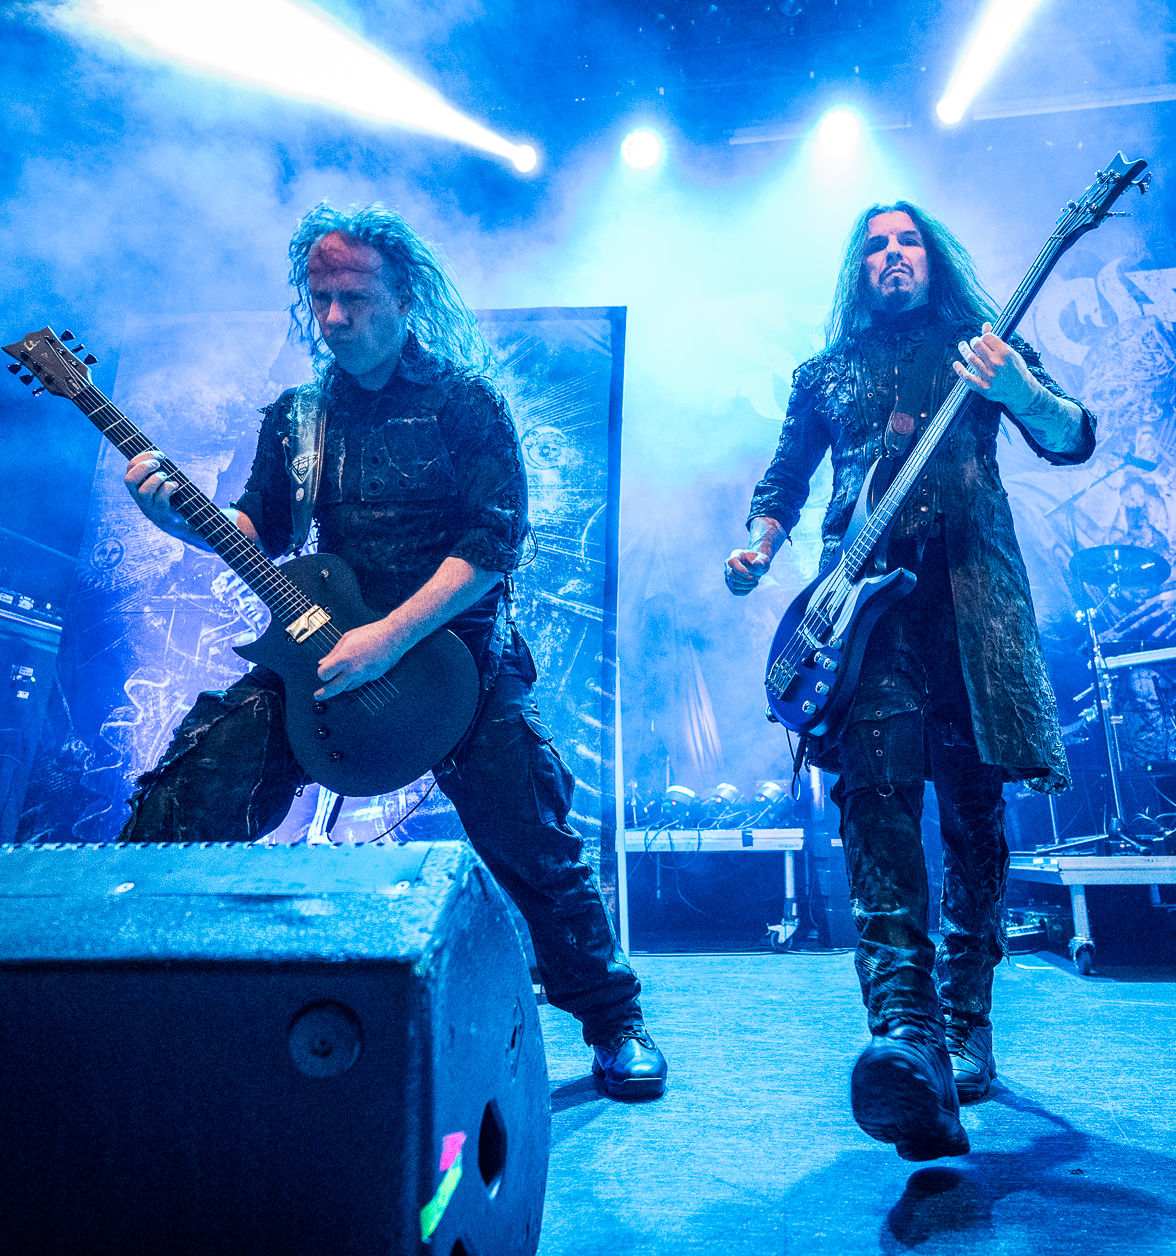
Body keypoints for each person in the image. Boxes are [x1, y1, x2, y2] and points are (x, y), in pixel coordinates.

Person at [117, 203, 665, 1101]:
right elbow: (260, 527)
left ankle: (615, 1021)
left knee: (533, 835)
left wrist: (390, 637)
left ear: (406, 297)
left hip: (459, 662)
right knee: (197, 777)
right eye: (320, 298)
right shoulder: (299, 416)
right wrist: (173, 519)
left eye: (356, 297)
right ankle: (110, 972)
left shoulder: (466, 403)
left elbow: (492, 544)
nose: (335, 318)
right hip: (330, 656)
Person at [727, 202, 1096, 1159]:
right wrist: (760, 546)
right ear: (859, 269)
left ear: (934, 258)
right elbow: (783, 481)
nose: (894, 255)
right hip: (863, 615)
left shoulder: (985, 343)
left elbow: (1072, 435)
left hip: (971, 606)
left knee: (973, 814)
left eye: (909, 241)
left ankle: (967, 1023)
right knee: (877, 803)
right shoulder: (826, 372)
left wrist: (1019, 389)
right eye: (877, 246)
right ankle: (904, 1031)